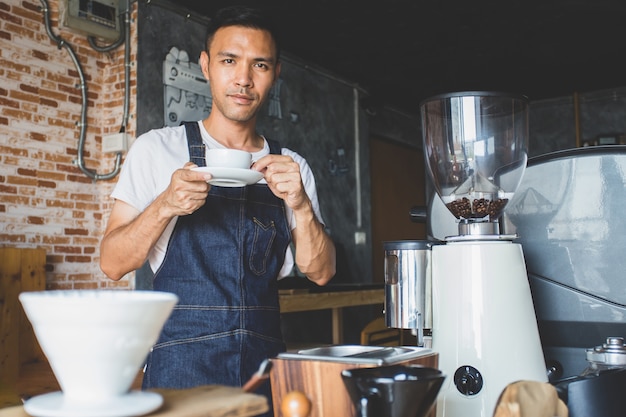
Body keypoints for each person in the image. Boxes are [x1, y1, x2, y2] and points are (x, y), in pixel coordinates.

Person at [99, 4, 336, 413]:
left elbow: (322, 271)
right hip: (179, 365)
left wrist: (298, 204)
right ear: (206, 66)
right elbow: (112, 262)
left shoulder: (292, 168)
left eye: (259, 65)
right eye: (230, 61)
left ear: (275, 74)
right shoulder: (157, 149)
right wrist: (165, 206)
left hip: (263, 368)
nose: (243, 79)